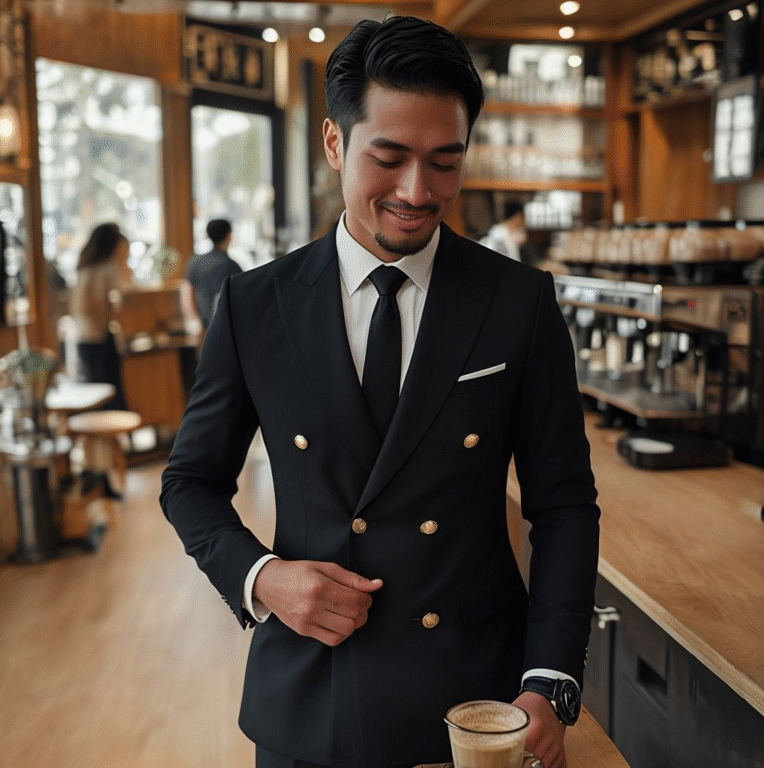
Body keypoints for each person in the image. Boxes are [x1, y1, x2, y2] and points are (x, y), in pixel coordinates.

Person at [161, 15, 599, 768]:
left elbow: (562, 505)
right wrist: (263, 578)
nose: (417, 191)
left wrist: (549, 676)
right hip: (314, 689)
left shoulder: (519, 301)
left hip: (477, 702)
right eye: (389, 157)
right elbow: (190, 483)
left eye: (444, 162)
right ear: (335, 143)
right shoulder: (255, 305)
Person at [69, 222, 129, 411]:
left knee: (92, 392)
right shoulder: (108, 268)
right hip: (101, 337)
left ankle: (98, 436)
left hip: (81, 337)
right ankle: (112, 433)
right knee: (110, 393)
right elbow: (122, 300)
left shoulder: (84, 267)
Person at [180, 218, 241, 330]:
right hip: (226, 326)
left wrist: (196, 321)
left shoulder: (196, 262)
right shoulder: (232, 266)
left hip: (203, 325)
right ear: (229, 235)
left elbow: (187, 295)